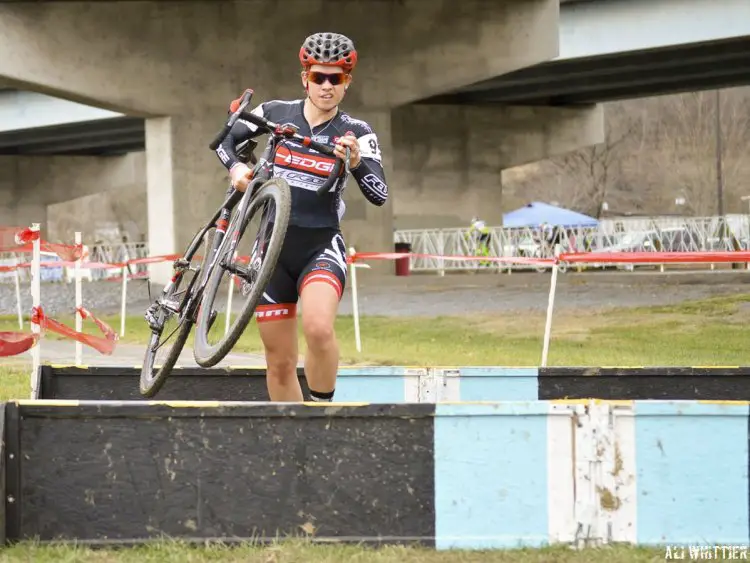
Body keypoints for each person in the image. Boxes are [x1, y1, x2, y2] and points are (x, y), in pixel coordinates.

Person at [214, 32, 388, 403]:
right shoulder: (276, 113)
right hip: (270, 254)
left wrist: (356, 163)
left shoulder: (357, 132)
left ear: (347, 83)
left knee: (319, 329)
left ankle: (322, 417)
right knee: (279, 361)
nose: (326, 86)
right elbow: (227, 139)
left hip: (320, 245)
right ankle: (295, 442)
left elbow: (379, 194)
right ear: (304, 78)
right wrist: (236, 171)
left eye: (336, 79)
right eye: (318, 77)